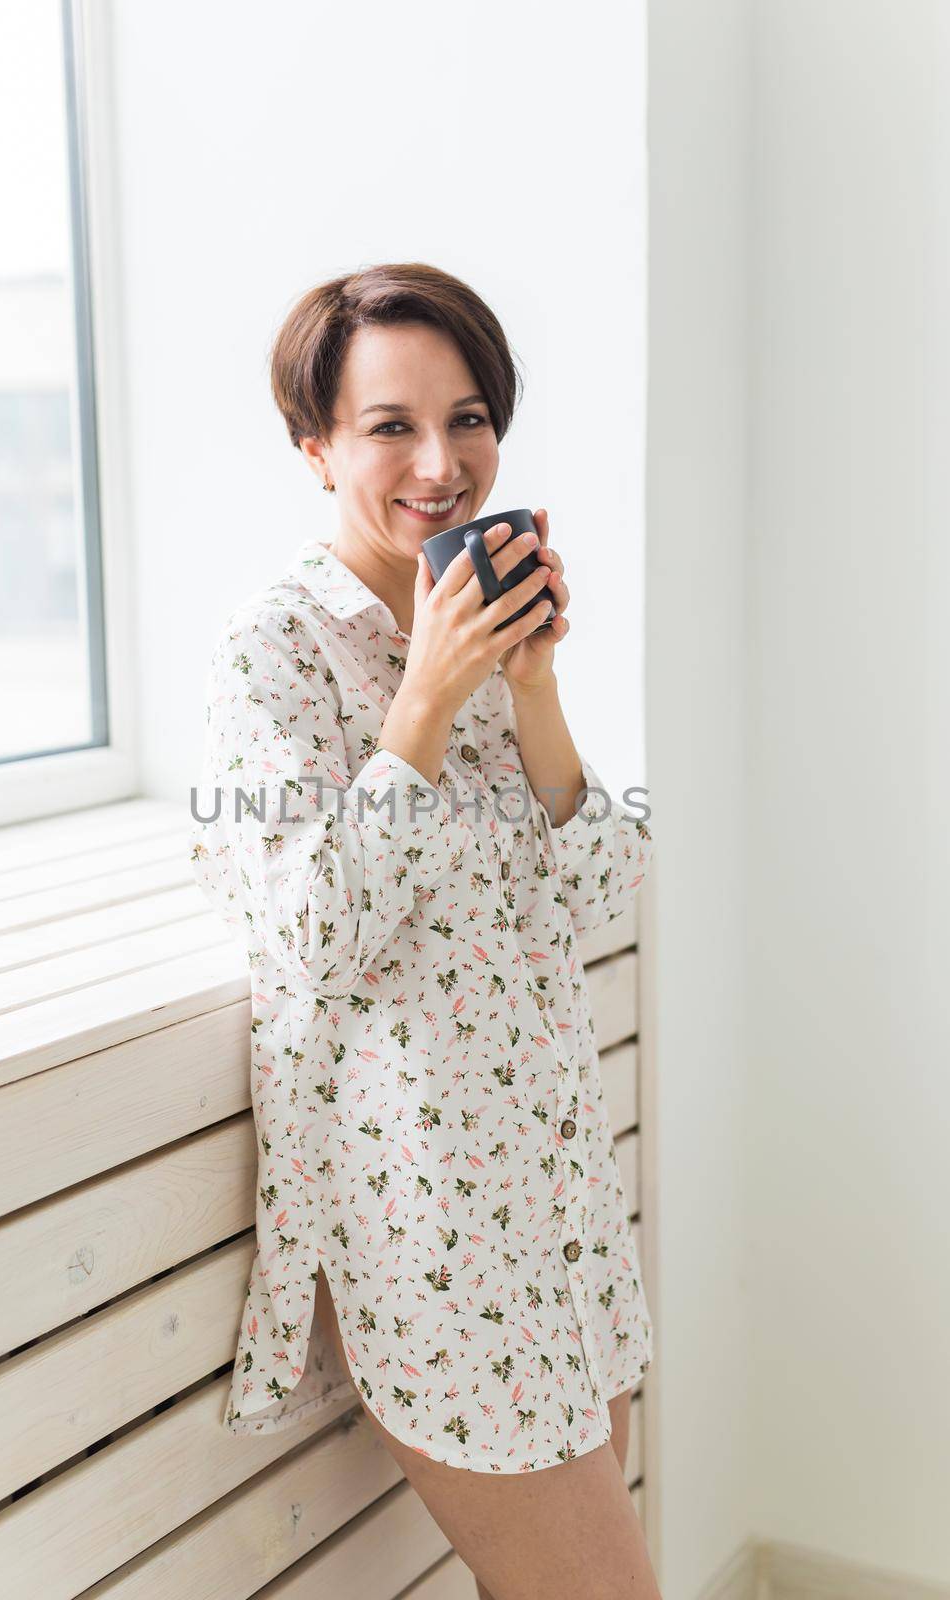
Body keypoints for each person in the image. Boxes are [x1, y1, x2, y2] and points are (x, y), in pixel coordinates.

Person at [189, 262, 660, 1599]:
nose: (442, 461)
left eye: (468, 418)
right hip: (432, 1227)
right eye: (391, 425)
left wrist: (534, 686)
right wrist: (424, 709)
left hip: (563, 1200)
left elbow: (592, 903)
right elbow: (308, 937)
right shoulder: (268, 650)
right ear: (315, 443)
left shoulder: (469, 612)